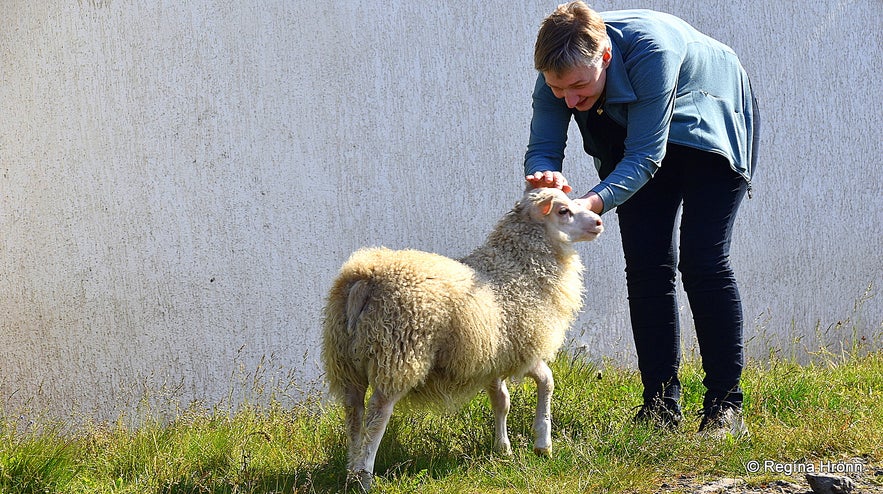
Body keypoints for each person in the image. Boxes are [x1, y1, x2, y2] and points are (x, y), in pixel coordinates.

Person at [524, 1, 759, 437]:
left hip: (708, 117)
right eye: (559, 90)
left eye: (578, 87)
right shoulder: (559, 69)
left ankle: (726, 407)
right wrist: (545, 175)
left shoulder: (652, 53)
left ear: (605, 57)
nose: (570, 100)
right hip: (632, 132)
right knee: (647, 266)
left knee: (703, 261)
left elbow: (646, 156)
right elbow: (543, 146)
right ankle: (659, 406)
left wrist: (590, 203)